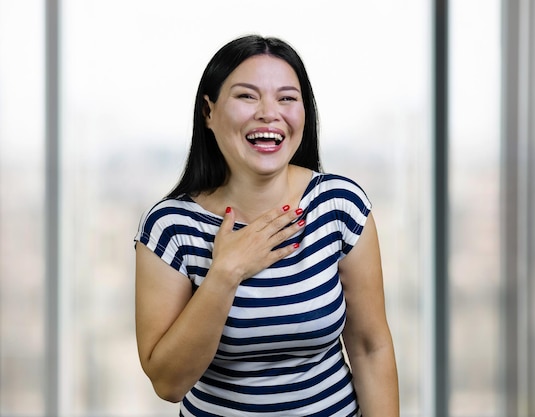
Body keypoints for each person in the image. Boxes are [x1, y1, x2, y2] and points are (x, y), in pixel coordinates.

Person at [134, 34, 399, 416]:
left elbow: (371, 346)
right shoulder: (170, 227)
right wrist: (226, 272)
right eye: (246, 96)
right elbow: (168, 383)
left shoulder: (339, 205)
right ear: (208, 112)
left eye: (287, 98)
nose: (268, 113)